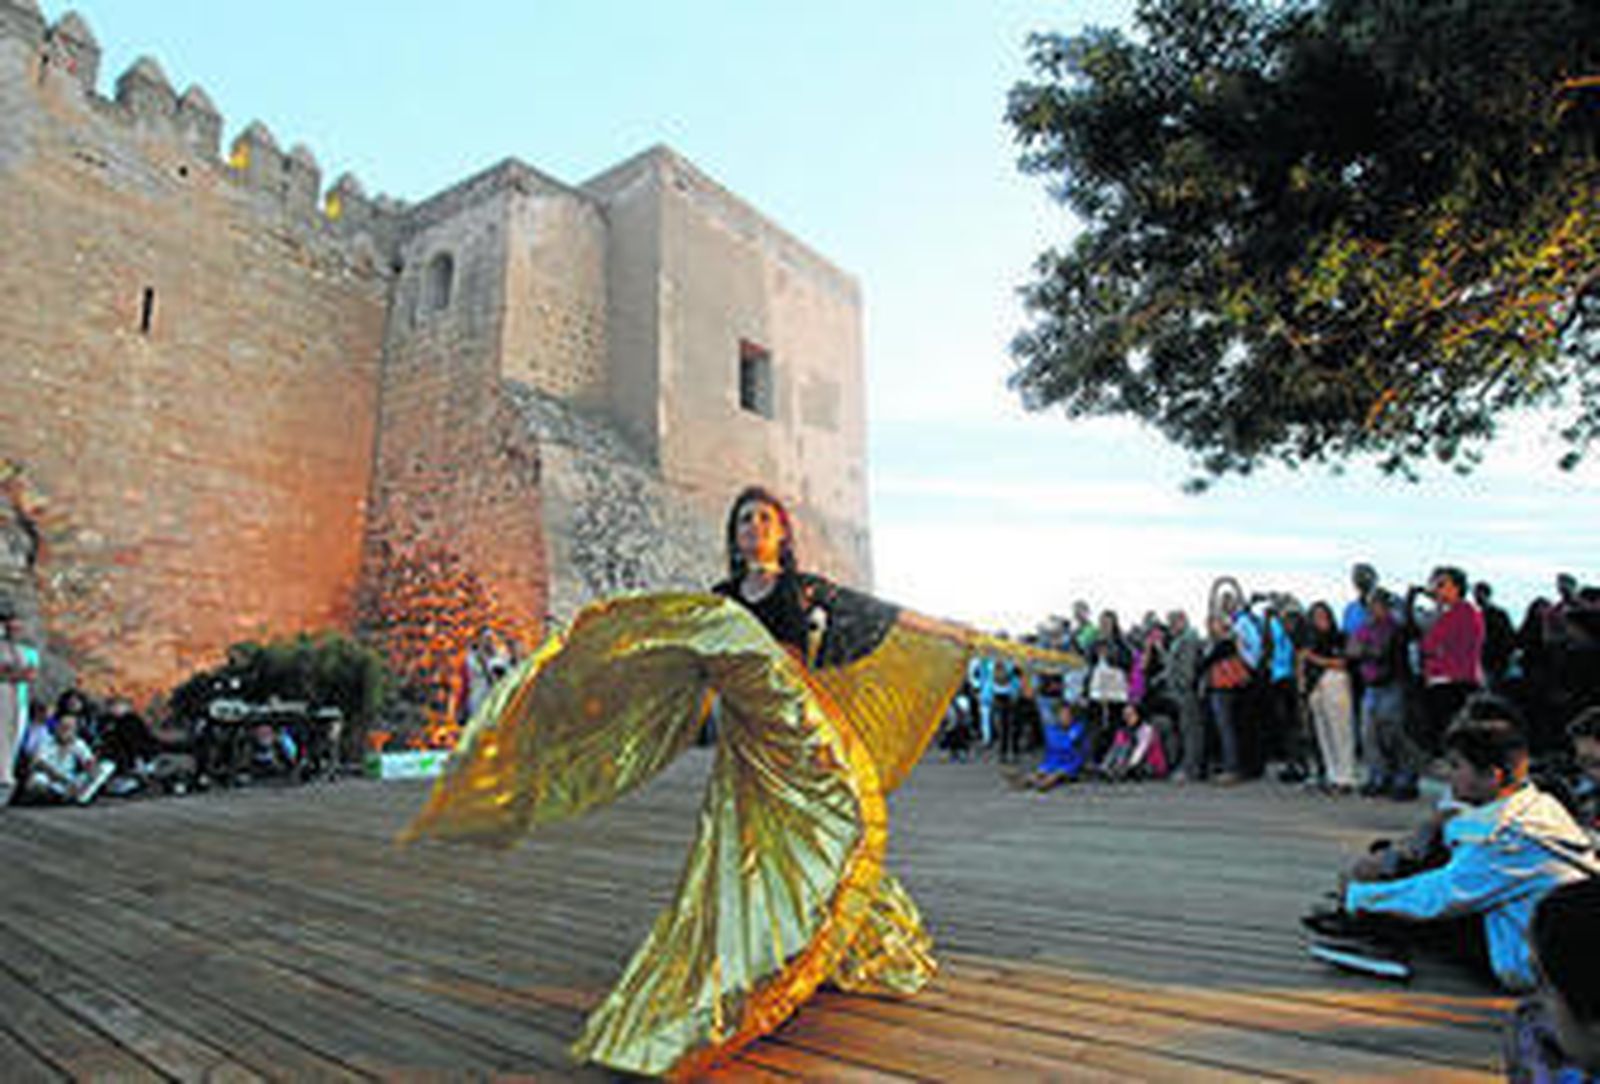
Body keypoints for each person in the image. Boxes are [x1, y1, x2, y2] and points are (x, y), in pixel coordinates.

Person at [404, 484, 1037, 1078]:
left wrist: (961, 635)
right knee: (749, 857)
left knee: (829, 835)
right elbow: (690, 658)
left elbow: (885, 618)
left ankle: (828, 938)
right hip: (746, 744)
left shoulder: (806, 591)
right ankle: (747, 962)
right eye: (744, 520)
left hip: (805, 735)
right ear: (734, 537)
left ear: (782, 532)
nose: (754, 527)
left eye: (765, 518)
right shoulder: (719, 599)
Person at [1305, 698, 1598, 990]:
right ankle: (1367, 922)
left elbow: (1444, 894)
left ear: (1493, 776)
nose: (1449, 774)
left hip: (1526, 958)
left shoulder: (1513, 835)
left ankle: (1374, 935)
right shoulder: (1529, 802)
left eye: (1457, 766)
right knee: (1417, 864)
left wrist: (1359, 896)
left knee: (1424, 897)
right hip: (1525, 925)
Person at [1350, 590, 1417, 799]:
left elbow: (1386, 652)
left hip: (1393, 683)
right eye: (1370, 605)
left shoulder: (1396, 628)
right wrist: (1369, 651)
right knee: (1370, 734)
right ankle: (1378, 776)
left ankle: (1403, 778)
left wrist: (1367, 651)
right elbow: (1352, 650)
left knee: (1395, 734)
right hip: (1371, 684)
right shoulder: (1365, 628)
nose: (1373, 609)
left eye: (1377, 605)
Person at [1413, 566, 1485, 760]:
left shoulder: (1465, 612)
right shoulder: (1444, 613)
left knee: (1453, 737)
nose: (1436, 589)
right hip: (1440, 681)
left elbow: (1438, 646)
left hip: (1455, 682)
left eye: (1442, 585)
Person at [1301, 601, 1357, 791]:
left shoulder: (1339, 637)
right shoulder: (1310, 638)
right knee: (1323, 732)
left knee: (1340, 730)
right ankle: (1333, 775)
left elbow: (1343, 662)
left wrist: (1314, 658)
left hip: (1335, 681)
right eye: (1315, 615)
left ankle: (1346, 777)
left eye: (1323, 614)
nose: (1320, 619)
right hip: (1315, 686)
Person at [21, 692, 114, 805]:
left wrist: (91, 769)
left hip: (71, 780)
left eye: (69, 728)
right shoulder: (47, 741)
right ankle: (61, 797)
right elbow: (38, 763)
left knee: (106, 767)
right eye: (63, 727)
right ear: (56, 728)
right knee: (37, 780)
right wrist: (61, 779)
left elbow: (88, 762)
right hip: (53, 780)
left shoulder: (78, 744)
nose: (65, 731)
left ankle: (76, 796)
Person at [0, 602, 39, 799]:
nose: (14, 630)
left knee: (12, 741)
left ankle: (5, 783)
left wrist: (10, 674)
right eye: (10, 626)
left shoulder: (27, 651)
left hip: (17, 702)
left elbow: (30, 674)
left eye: (17, 627)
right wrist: (15, 674)